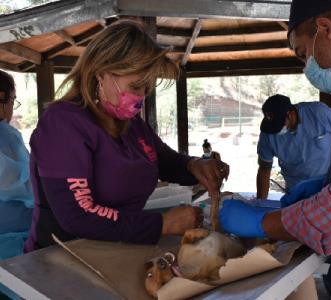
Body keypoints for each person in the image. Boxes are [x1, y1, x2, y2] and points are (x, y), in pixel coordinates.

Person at [25, 21, 229, 252]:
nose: (141, 98)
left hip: (118, 250)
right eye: (136, 86)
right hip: (61, 257)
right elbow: (77, 214)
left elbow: (163, 160)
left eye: (147, 89)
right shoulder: (63, 124)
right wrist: (163, 224)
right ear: (101, 73)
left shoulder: (131, 125)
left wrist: (194, 166)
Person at [220, 1, 331, 299]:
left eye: (303, 53)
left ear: (326, 29)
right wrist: (325, 187)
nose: (305, 64)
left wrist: (263, 223)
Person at [256, 94, 331, 199]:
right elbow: (264, 169)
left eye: (279, 124)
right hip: (296, 192)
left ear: (291, 114)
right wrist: (261, 203)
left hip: (329, 187)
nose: (276, 130)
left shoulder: (319, 112)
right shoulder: (268, 133)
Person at [0, 70, 34, 299]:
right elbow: (16, 181)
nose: (13, 106)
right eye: (13, 99)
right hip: (9, 241)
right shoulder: (6, 136)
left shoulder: (7, 134)